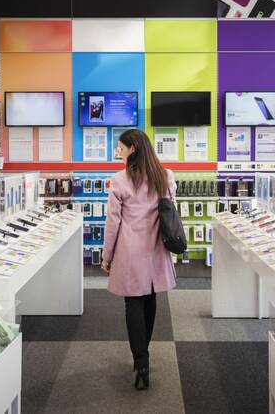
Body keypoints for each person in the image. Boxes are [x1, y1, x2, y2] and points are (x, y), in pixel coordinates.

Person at [101, 129, 177, 391]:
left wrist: (106, 255)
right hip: (156, 249)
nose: (119, 152)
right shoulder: (165, 176)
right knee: (151, 298)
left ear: (132, 148)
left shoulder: (119, 180)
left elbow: (113, 223)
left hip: (129, 252)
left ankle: (140, 361)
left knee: (132, 303)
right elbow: (170, 214)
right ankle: (144, 353)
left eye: (121, 148)